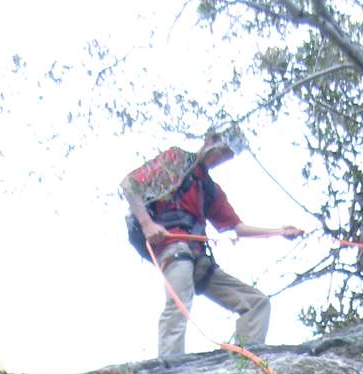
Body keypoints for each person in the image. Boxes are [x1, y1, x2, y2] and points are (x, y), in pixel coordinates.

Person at [122, 127, 303, 359]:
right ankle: (168, 366)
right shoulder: (176, 161)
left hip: (199, 258)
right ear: (210, 141)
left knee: (257, 303)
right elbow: (129, 185)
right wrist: (147, 224)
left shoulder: (210, 189)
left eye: (228, 155)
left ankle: (244, 365)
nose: (222, 158)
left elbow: (237, 228)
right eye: (223, 151)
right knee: (179, 302)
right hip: (174, 246)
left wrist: (280, 232)